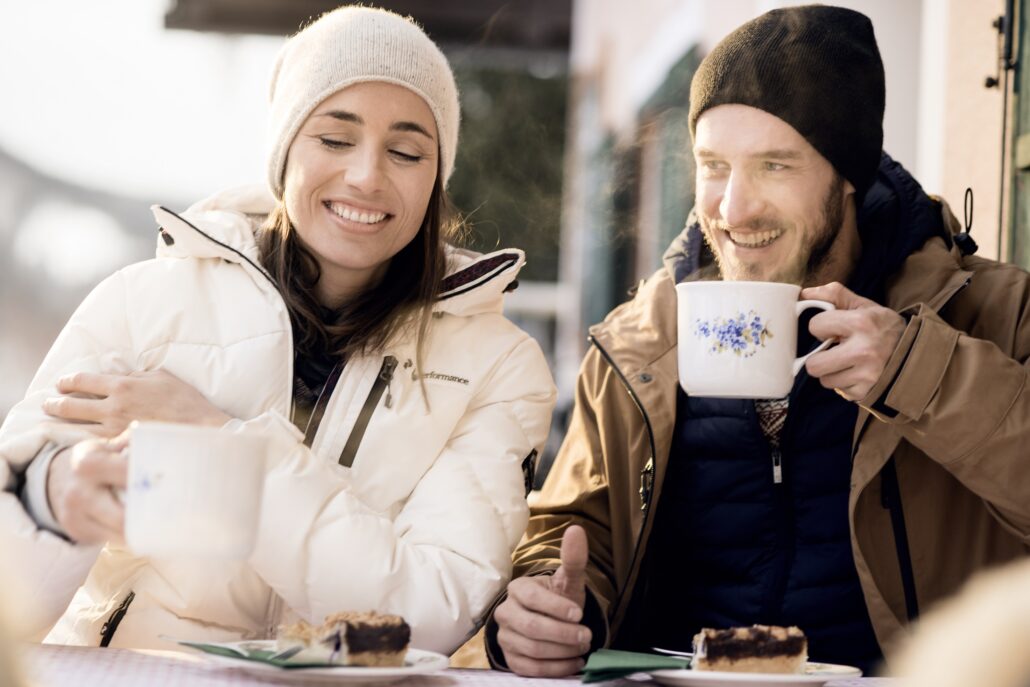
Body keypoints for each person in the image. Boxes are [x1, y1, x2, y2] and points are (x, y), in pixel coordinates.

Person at [486, 4, 1030, 677]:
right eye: (713, 165)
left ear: (849, 173)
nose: (733, 208)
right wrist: (551, 607)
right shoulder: (638, 344)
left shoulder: (995, 313)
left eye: (774, 165)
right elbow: (571, 535)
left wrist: (924, 373)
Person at [0, 5, 556, 653]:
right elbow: (11, 596)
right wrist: (54, 501)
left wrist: (226, 442)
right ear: (283, 149)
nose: (367, 175)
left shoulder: (498, 365)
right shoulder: (144, 305)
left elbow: (433, 610)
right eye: (333, 137)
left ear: (437, 178)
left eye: (406, 151)